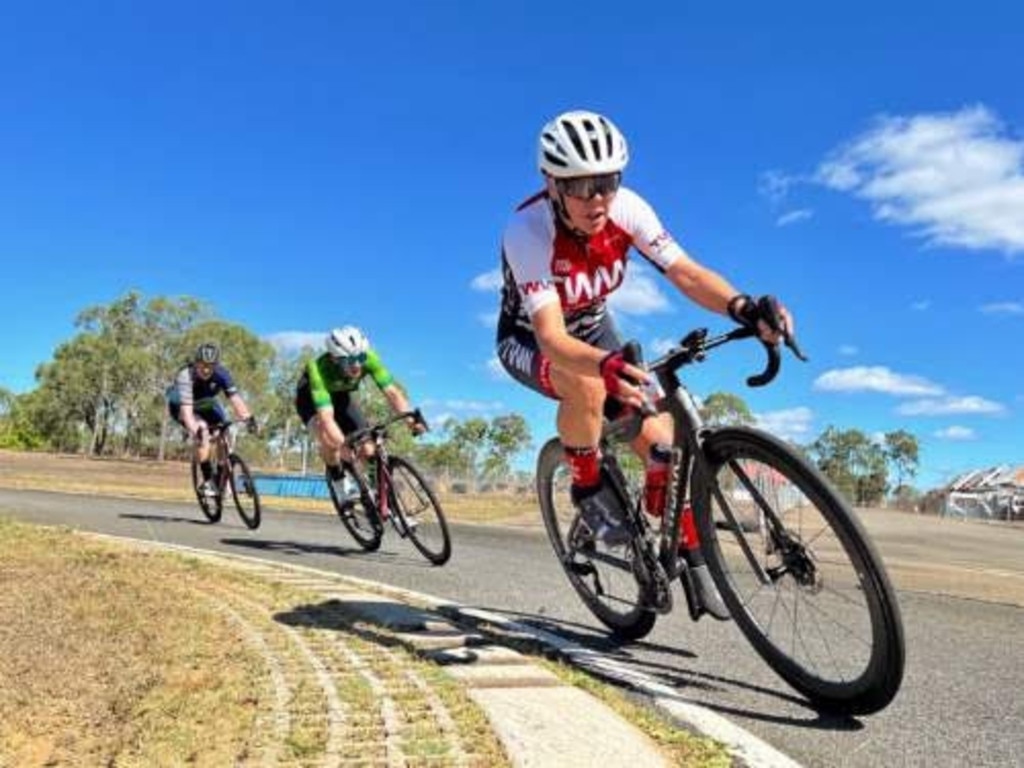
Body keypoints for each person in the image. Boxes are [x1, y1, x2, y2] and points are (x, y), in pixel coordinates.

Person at [496, 110, 795, 617]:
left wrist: (742, 306)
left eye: (607, 182)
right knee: (587, 388)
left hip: (593, 329)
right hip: (530, 338)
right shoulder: (527, 230)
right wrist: (603, 367)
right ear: (552, 184)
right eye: (581, 185)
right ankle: (587, 483)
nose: (597, 198)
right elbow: (550, 336)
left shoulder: (626, 209)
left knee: (664, 444)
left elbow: (686, 272)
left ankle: (675, 535)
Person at [295, 326, 425, 487]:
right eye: (349, 360)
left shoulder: (369, 358)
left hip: (341, 396)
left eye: (360, 357)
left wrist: (410, 419)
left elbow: (392, 392)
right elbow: (327, 418)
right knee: (332, 442)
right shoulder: (318, 370)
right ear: (335, 358)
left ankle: (374, 491)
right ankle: (339, 481)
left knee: (369, 448)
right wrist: (344, 447)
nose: (357, 365)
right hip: (311, 400)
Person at [167, 342, 259, 497]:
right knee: (202, 429)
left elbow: (235, 399)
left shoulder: (222, 374)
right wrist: (195, 430)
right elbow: (188, 413)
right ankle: (209, 480)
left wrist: (248, 418)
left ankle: (221, 475)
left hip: (206, 403)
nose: (205, 369)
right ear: (196, 363)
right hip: (182, 406)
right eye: (202, 365)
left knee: (224, 431)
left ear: (216, 365)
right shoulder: (185, 376)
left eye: (210, 366)